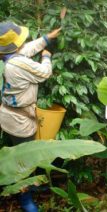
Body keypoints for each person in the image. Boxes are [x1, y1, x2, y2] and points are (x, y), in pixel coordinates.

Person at [0, 21, 61, 212]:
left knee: (21, 155)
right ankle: (25, 198)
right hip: (20, 121)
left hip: (9, 115)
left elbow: (26, 49)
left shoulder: (7, 58)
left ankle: (29, 187)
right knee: (24, 160)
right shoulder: (18, 64)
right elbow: (44, 73)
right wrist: (47, 56)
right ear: (15, 44)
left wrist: (47, 38)